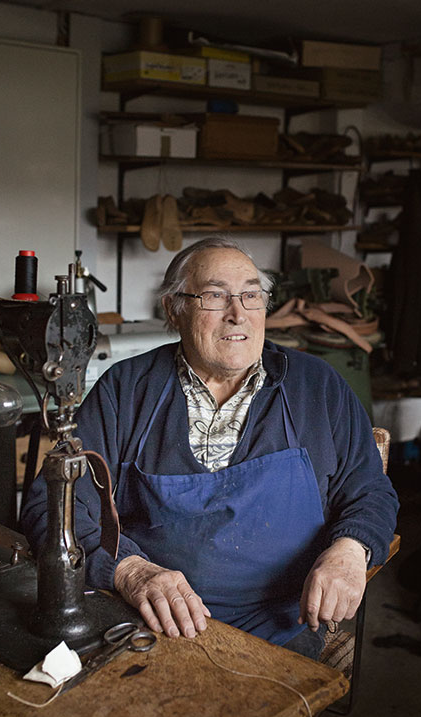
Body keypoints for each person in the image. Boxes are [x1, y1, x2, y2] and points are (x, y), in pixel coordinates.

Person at [21, 237, 398, 656]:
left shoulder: (317, 385)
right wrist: (129, 571)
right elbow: (53, 506)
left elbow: (370, 490)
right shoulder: (126, 390)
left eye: (251, 295)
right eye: (215, 296)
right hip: (148, 621)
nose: (239, 315)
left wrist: (349, 550)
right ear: (174, 310)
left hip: (278, 626)